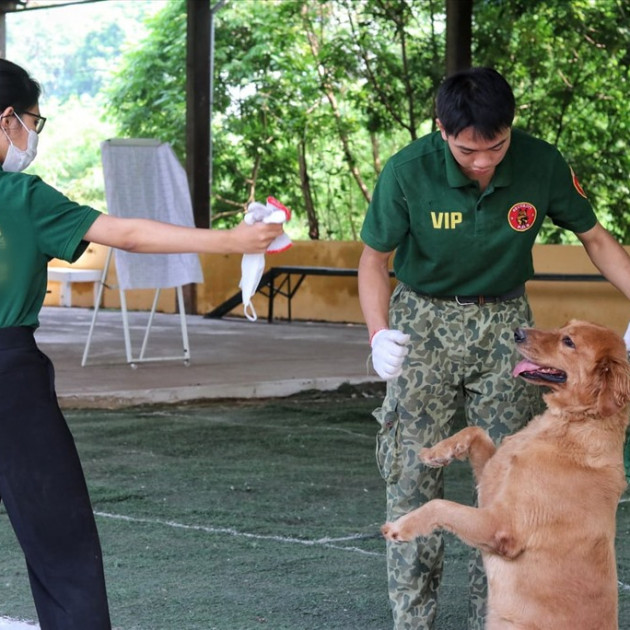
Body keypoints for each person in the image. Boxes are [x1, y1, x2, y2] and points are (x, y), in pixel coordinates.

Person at [0, 58, 283, 630]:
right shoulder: (22, 196)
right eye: (34, 120)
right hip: (7, 377)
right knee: (60, 538)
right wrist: (233, 238)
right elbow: (127, 233)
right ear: (7, 119)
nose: (33, 135)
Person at [358, 66, 630, 630]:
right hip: (423, 325)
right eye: (466, 151)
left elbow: (597, 239)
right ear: (442, 130)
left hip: (508, 327)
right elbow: (372, 260)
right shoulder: (407, 171)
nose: (482, 161)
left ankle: (501, 620)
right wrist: (377, 333)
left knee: (512, 488)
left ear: (511, 129)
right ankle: (413, 624)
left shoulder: (542, 162)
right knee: (412, 480)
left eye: (496, 146)